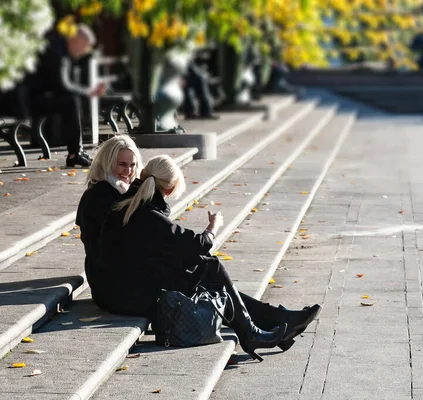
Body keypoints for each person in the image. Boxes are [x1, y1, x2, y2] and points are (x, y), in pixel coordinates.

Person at [92, 155, 320, 361]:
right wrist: (213, 227)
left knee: (204, 272)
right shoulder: (148, 215)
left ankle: (271, 321)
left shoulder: (128, 206)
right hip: (125, 295)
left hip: (116, 287)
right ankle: (260, 327)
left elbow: (171, 249)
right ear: (169, 190)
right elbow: (196, 246)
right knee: (208, 267)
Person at [26, 24, 107, 167]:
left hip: (38, 96)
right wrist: (88, 91)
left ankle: (75, 152)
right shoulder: (58, 52)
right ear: (75, 40)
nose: (84, 52)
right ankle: (75, 153)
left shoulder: (62, 50)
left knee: (71, 101)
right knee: (71, 101)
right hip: (28, 99)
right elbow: (62, 85)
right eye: (85, 47)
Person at [76, 135, 143, 292]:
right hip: (107, 273)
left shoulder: (123, 190)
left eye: (133, 165)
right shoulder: (100, 194)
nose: (128, 171)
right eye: (121, 165)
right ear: (108, 163)